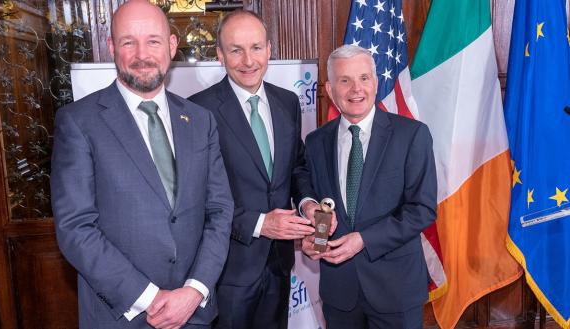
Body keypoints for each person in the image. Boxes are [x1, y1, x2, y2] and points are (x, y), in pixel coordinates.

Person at [51, 1, 233, 328]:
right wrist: (151, 298)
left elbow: (220, 210)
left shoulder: (201, 121)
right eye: (127, 42)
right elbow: (75, 228)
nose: (142, 54)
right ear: (111, 48)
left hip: (194, 312)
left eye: (153, 41)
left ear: (171, 46)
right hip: (122, 314)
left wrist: (194, 290)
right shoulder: (79, 122)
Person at [188, 9, 328, 329]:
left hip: (279, 265)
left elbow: (297, 167)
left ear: (269, 49)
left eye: (256, 48)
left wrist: (307, 204)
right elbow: (195, 198)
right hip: (228, 271)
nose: (248, 60)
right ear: (220, 55)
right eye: (236, 50)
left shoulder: (288, 102)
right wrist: (260, 224)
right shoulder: (198, 110)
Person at [301, 44, 437, 329]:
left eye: (364, 78)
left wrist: (364, 239)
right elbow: (316, 198)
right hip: (339, 294)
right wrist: (315, 236)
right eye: (345, 80)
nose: (356, 89)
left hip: (396, 292)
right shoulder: (315, 142)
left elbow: (422, 210)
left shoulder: (411, 135)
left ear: (375, 83)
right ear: (329, 88)